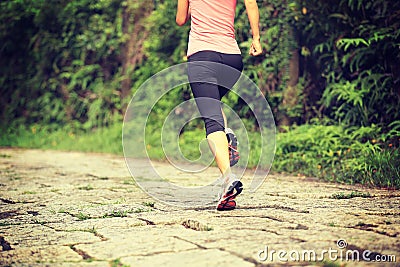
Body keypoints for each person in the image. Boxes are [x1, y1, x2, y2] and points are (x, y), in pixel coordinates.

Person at [176, 0, 262, 210]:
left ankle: (228, 180)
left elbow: (180, 20)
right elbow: (251, 3)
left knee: (211, 118)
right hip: (232, 59)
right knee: (213, 105)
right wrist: (256, 38)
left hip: (202, 57)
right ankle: (227, 135)